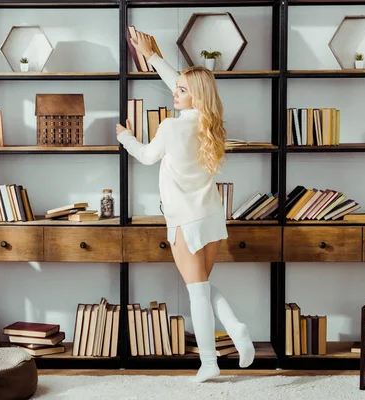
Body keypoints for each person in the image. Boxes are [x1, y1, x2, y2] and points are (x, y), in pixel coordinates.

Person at [115, 31, 255, 383]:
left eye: (180, 91)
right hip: (210, 217)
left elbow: (147, 157)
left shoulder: (170, 127)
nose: (173, 93)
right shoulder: (211, 127)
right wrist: (153, 57)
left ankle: (209, 361)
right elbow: (183, 84)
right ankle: (236, 328)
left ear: (194, 96)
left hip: (184, 221)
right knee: (203, 284)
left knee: (196, 291)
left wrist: (125, 137)